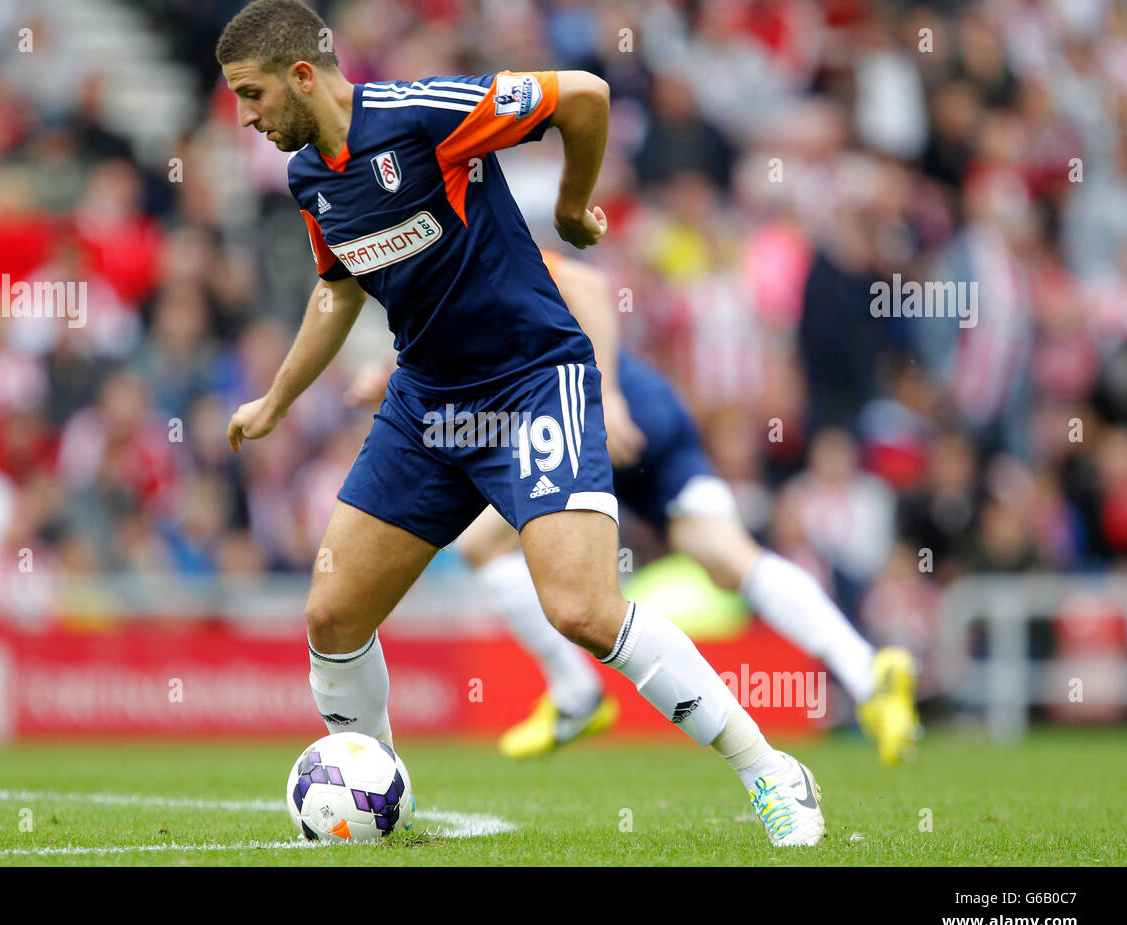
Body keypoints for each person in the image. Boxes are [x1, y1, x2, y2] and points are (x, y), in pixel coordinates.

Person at [218, 0, 825, 846]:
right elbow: (337, 287)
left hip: (534, 380)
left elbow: (584, 94)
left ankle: (770, 771)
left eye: (251, 95)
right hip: (428, 402)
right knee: (332, 617)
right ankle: (376, 799)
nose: (245, 117)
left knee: (582, 609)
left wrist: (574, 208)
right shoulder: (308, 178)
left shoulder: (422, 116)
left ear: (302, 75)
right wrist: (279, 398)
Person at [382, 252, 920, 765]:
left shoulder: (471, 247)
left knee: (480, 546)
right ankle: (870, 671)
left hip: (599, 416)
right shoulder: (448, 278)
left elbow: (589, 287)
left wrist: (606, 395)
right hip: (652, 407)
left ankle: (576, 695)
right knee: (729, 557)